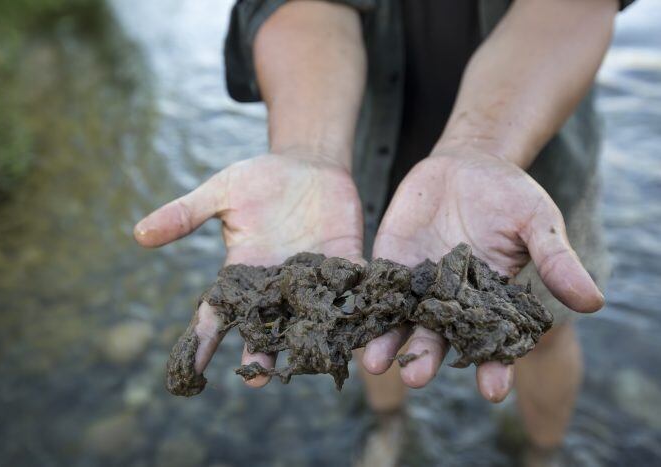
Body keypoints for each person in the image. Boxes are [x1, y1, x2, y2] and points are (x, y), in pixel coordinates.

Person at [134, 0, 634, 465]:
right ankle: (389, 426)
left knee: (544, 329)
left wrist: (484, 147)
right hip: (358, 166)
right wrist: (307, 149)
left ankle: (543, 453)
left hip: (524, 157)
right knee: (371, 318)